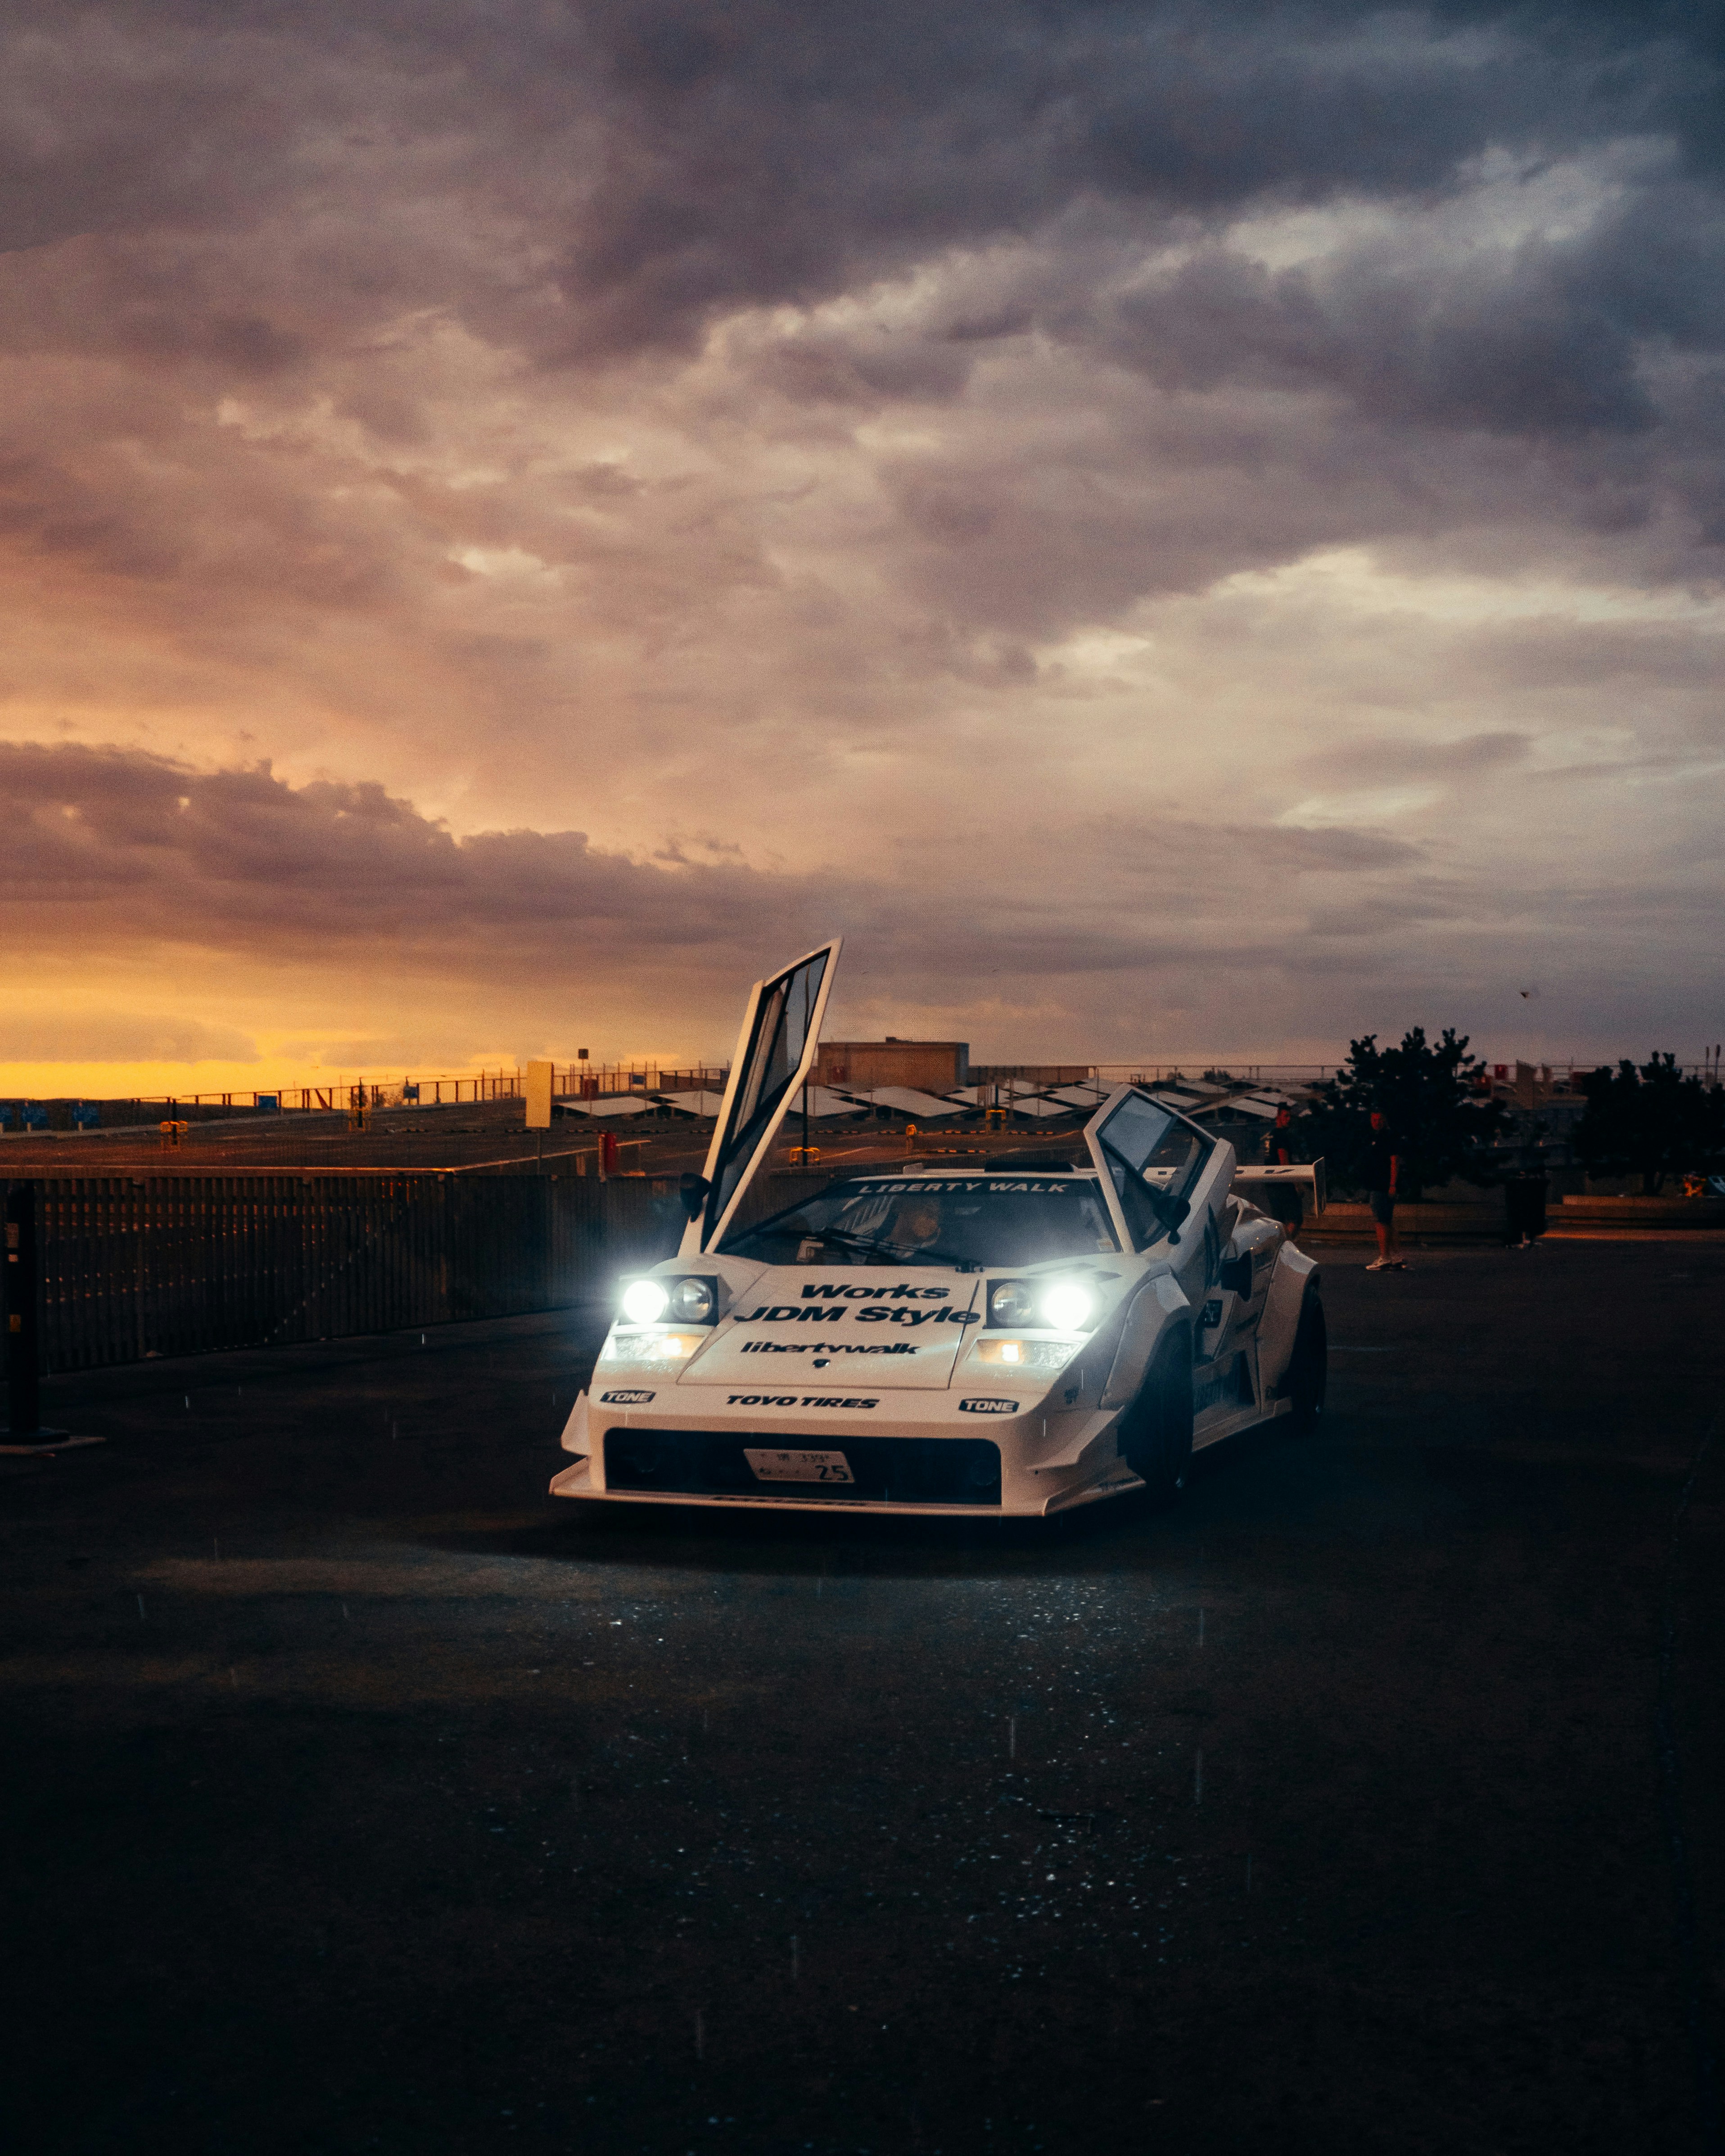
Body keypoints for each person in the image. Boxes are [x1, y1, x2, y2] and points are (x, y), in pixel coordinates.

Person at [1364, 1109, 1405, 1271]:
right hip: (1381, 1184)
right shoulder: (1379, 1137)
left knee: (1381, 1222)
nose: (1376, 1123)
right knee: (1388, 1221)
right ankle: (1397, 1256)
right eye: (1373, 1120)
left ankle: (1385, 1256)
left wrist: (1393, 1184)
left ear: (1385, 1120)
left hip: (1382, 1185)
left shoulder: (1388, 1137)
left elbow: (1395, 1161)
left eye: (1379, 1119)